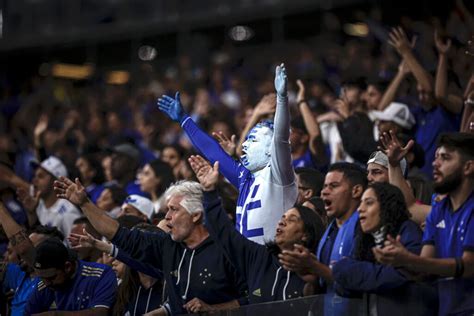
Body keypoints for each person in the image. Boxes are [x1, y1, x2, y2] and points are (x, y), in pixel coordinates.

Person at [53, 177, 248, 315]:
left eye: (173, 210)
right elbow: (119, 234)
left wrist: (214, 309)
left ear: (196, 215)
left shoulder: (229, 251)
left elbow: (256, 298)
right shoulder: (168, 247)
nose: (167, 217)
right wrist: (85, 203)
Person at [157, 63, 296, 244]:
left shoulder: (278, 174)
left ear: (272, 150)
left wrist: (282, 99)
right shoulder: (245, 178)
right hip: (246, 266)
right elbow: (213, 152)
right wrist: (184, 120)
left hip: (273, 264)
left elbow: (281, 137)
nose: (244, 145)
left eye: (253, 140)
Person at [188, 155, 325, 304]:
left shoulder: (315, 268)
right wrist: (209, 192)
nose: (281, 223)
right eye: (282, 218)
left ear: (306, 234)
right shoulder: (258, 258)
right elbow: (224, 233)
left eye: (291, 220)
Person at [374, 132, 474, 315]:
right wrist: (399, 260)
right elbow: (424, 267)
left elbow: (469, 266)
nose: (435, 163)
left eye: (445, 158)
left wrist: (410, 260)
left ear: (468, 167)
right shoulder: (439, 210)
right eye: (436, 157)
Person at [332, 182, 437, 315]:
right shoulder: (366, 241)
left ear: (387, 206)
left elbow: (399, 276)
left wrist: (346, 268)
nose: (360, 209)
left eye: (369, 203)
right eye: (360, 203)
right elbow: (342, 287)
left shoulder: (408, 231)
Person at [279, 162, 367, 315]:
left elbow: (361, 283)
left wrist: (316, 267)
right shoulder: (329, 233)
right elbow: (319, 290)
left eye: (333, 186)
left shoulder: (365, 229)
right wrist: (311, 278)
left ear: (356, 190)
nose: (324, 192)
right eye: (325, 186)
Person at [25, 238, 118, 315]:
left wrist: (56, 315)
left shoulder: (100, 274)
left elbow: (101, 313)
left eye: (51, 278)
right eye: (41, 278)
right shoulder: (44, 284)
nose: (46, 283)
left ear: (67, 267)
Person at [0, 156, 83, 238]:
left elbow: (78, 249)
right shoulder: (37, 203)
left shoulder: (68, 213)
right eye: (35, 176)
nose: (34, 180)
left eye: (40, 176)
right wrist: (31, 214)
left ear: (56, 182)